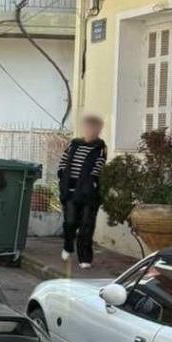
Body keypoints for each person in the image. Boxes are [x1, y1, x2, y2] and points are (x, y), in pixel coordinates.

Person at [57, 115, 108, 270]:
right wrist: (61, 174)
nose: (91, 131)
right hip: (70, 191)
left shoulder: (100, 147)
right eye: (88, 127)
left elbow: (99, 165)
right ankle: (68, 246)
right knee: (70, 223)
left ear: (98, 130)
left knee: (87, 226)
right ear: (84, 129)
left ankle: (85, 258)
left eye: (95, 128)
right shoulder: (74, 145)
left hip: (88, 193)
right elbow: (64, 161)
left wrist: (91, 182)